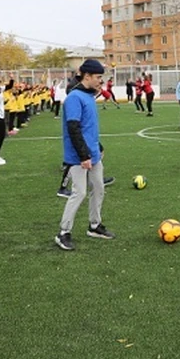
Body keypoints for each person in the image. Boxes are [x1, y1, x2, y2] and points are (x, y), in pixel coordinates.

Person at [55, 59, 115, 251]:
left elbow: (89, 127)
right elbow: (73, 128)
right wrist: (83, 156)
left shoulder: (89, 96)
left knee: (98, 188)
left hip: (93, 153)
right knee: (79, 192)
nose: (101, 81)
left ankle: (95, 226)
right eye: (98, 77)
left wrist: (98, 147)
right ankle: (63, 232)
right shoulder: (74, 98)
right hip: (78, 156)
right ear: (87, 76)